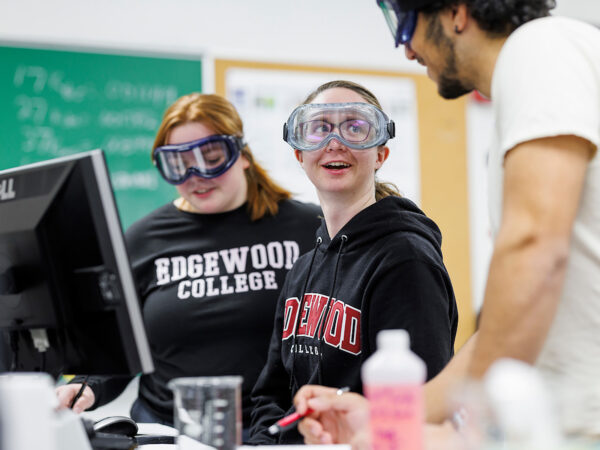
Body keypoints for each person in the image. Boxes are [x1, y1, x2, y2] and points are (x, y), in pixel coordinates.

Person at [295, 0, 600, 445]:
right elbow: (505, 321)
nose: (408, 52)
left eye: (404, 25)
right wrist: (389, 418)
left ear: (457, 12)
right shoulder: (536, 75)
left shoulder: (540, 47)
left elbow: (535, 246)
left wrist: (456, 432)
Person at [54, 93, 322, 436]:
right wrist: (86, 387)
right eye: (178, 165)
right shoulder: (143, 240)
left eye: (211, 158)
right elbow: (119, 350)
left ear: (241, 155)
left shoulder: (307, 228)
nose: (195, 175)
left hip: (273, 432)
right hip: (167, 434)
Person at [248, 80, 458, 444]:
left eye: (356, 127)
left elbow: (420, 404)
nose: (335, 142)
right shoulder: (303, 269)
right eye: (319, 128)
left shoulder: (407, 259)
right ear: (300, 155)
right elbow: (270, 395)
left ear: (380, 155)